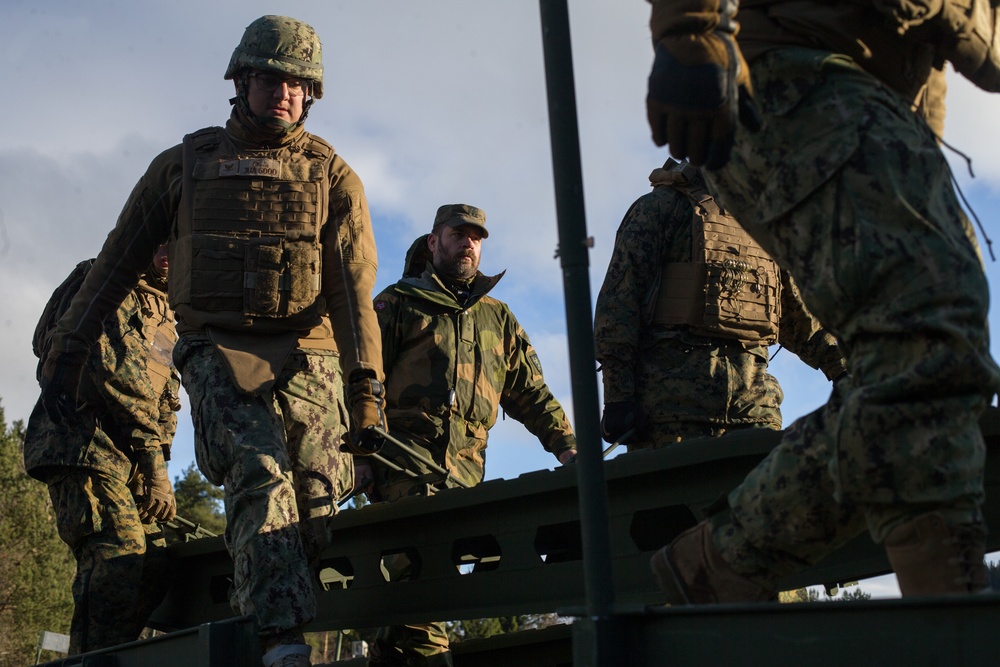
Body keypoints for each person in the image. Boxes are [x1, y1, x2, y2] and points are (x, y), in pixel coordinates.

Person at [38, 16, 386, 667]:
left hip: (309, 352)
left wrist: (366, 390)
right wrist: (68, 351)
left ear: (311, 94)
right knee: (258, 469)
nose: (285, 92)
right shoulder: (183, 166)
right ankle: (280, 639)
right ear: (242, 79)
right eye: (273, 78)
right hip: (218, 349)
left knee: (314, 489)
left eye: (299, 83)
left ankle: (262, 599)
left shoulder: (332, 175)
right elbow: (115, 266)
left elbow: (353, 292)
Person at [644, 0, 1000, 601]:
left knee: (938, 356)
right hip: (795, 74)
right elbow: (623, 304)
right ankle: (948, 606)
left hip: (875, 109)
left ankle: (715, 563)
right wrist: (691, 30)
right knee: (928, 333)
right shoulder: (660, 214)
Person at [357, 204, 578, 667]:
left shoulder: (498, 319)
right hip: (402, 468)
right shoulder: (396, 303)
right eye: (458, 234)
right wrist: (358, 458)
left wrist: (568, 447)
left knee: (416, 606)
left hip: (465, 478)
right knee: (424, 587)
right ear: (434, 242)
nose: (469, 244)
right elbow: (361, 384)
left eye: (477, 237)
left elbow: (531, 393)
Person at [594, 158, 846, 449]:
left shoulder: (764, 226)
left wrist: (847, 372)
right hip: (671, 417)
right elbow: (617, 308)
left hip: (754, 412)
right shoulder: (658, 210)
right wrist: (618, 398)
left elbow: (801, 319)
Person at [23, 245, 179, 654]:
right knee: (118, 555)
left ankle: (104, 655)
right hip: (83, 445)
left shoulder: (170, 308)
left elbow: (166, 393)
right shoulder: (112, 280)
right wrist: (155, 465)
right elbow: (118, 371)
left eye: (178, 239)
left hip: (126, 458)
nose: (167, 250)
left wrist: (156, 461)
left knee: (156, 565)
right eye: (158, 238)